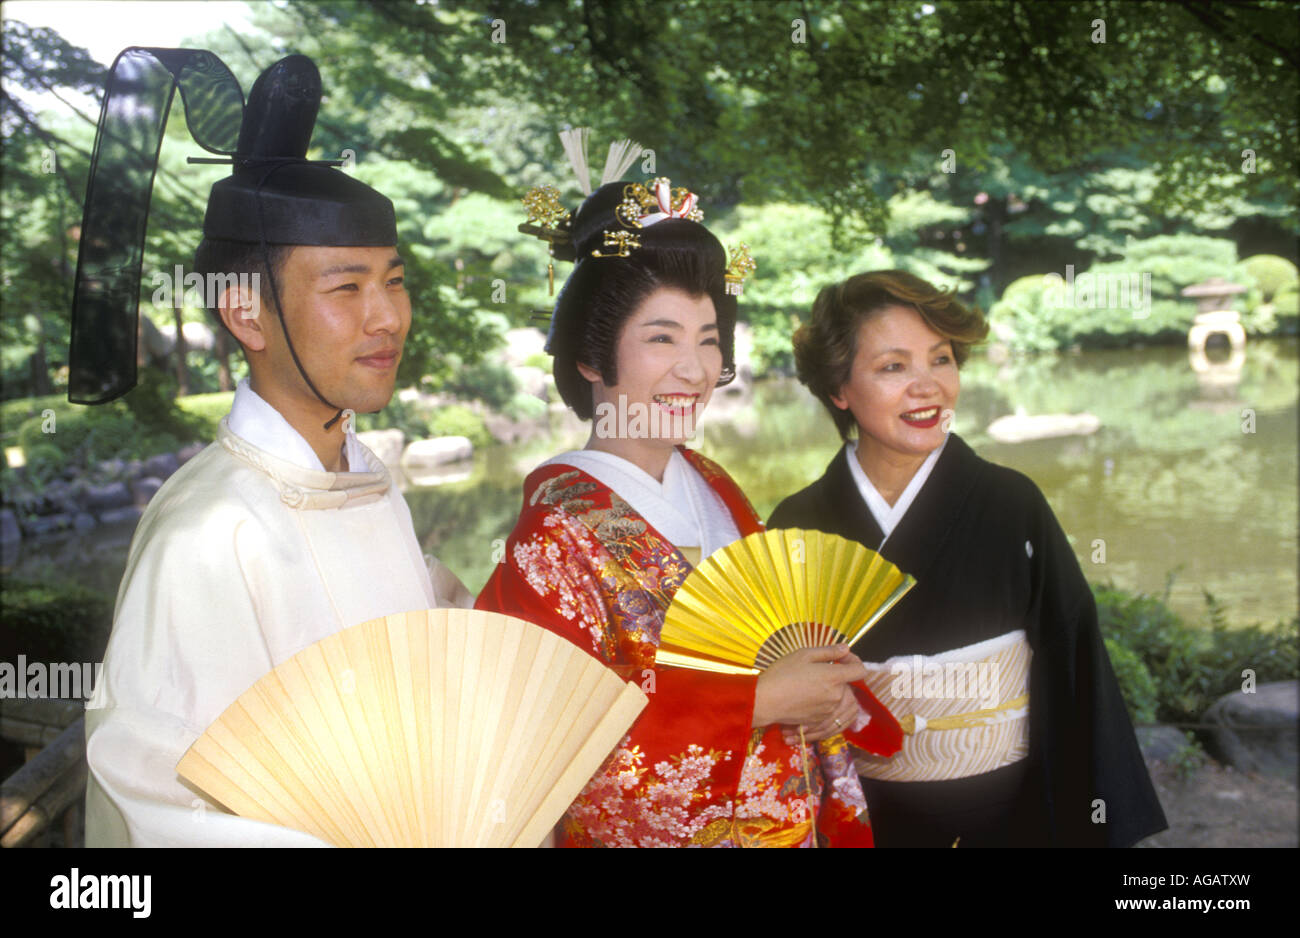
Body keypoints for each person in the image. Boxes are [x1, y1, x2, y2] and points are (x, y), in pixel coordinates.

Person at [76, 51, 471, 847]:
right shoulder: (208, 533)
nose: (388, 317)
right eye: (345, 288)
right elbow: (163, 799)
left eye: (393, 281)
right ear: (246, 315)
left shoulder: (367, 478)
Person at [476, 176, 900, 847]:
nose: (697, 369)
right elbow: (547, 739)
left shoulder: (711, 482)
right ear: (590, 356)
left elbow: (779, 635)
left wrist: (826, 694)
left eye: (708, 339)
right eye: (663, 339)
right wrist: (760, 702)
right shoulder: (553, 536)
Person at [768, 270, 1168, 846]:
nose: (928, 386)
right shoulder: (798, 524)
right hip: (863, 812)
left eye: (942, 359)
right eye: (893, 367)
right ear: (839, 389)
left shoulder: (1011, 503)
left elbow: (1074, 661)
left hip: (1012, 809)